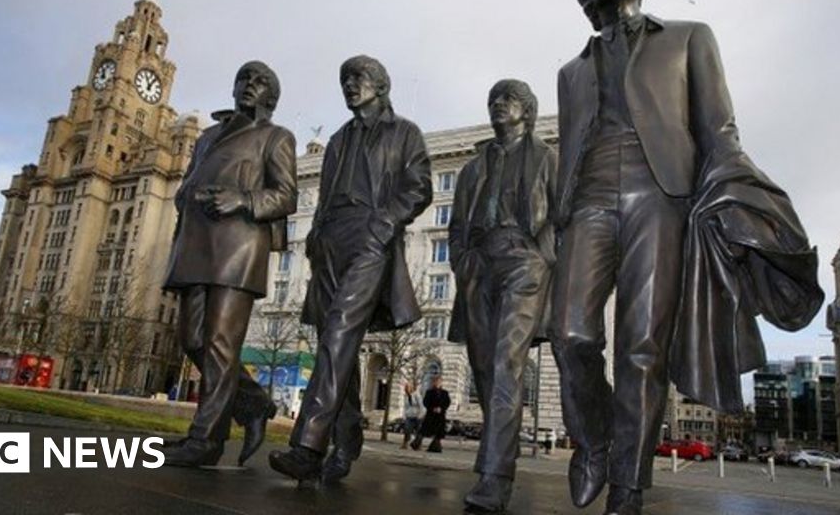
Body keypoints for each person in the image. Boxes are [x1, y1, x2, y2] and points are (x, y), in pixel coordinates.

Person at [552, 0, 823, 515]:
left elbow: (718, 127)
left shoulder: (690, 36)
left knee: (641, 347)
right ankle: (596, 442)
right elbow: (570, 148)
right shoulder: (570, 72)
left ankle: (628, 485)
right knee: (572, 333)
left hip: (662, 195)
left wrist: (742, 197)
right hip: (590, 199)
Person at [270, 55, 433, 484]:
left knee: (341, 329)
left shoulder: (405, 133)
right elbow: (324, 195)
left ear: (381, 84)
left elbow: (420, 187)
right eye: (344, 79)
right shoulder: (339, 139)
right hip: (330, 242)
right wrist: (317, 235)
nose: (349, 85)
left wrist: (384, 222)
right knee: (333, 337)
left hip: (370, 236)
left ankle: (307, 445)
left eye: (358, 77)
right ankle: (349, 433)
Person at [161, 61, 297, 468]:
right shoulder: (206, 138)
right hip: (196, 243)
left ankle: (206, 440)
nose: (249, 86)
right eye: (244, 79)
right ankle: (253, 402)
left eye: (260, 82)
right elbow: (185, 185)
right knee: (192, 341)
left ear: (272, 98)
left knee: (220, 344)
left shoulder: (275, 137)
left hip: (239, 247)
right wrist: (187, 196)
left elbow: (286, 195)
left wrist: (243, 200)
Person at [446, 79, 556, 512]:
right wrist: (462, 260)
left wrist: (539, 256)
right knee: (483, 367)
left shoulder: (547, 158)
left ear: (527, 111)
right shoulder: (474, 167)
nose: (497, 105)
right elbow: (456, 225)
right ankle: (498, 454)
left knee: (506, 361)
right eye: (492, 100)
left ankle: (494, 476)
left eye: (507, 99)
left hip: (523, 261)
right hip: (478, 264)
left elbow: (561, 216)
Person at [411, 376, 450, 453]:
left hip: (440, 415)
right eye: (436, 382)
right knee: (425, 430)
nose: (437, 383)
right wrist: (432, 408)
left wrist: (441, 408)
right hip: (431, 415)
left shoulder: (445, 393)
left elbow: (447, 402)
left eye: (439, 382)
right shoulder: (429, 392)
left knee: (439, 431)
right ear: (434, 383)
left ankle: (435, 447)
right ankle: (416, 443)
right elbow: (425, 402)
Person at [401, 381, 422, 450]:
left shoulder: (416, 395)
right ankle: (405, 444)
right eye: (406, 388)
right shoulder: (406, 396)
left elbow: (421, 405)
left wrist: (420, 414)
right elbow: (405, 406)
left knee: (418, 431)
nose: (407, 389)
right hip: (409, 415)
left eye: (408, 387)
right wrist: (404, 415)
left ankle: (418, 445)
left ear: (411, 388)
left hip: (417, 415)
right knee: (407, 429)